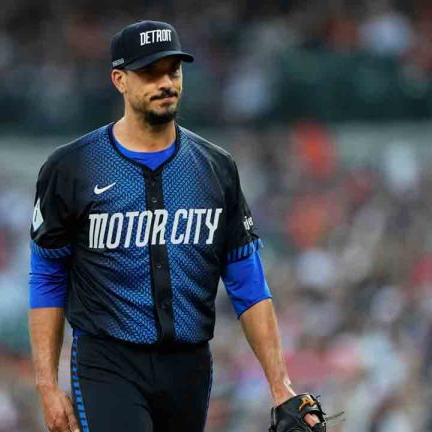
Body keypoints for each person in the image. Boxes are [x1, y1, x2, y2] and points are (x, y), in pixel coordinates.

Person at [28, 20, 321, 432]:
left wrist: (280, 385)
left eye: (173, 71)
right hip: (107, 364)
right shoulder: (73, 166)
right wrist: (46, 383)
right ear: (120, 80)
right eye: (150, 72)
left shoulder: (216, 168)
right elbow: (47, 273)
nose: (165, 82)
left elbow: (247, 281)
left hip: (189, 365)